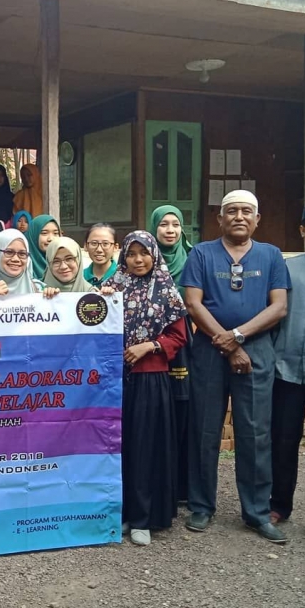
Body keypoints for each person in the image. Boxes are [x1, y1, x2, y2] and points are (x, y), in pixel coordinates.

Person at [181, 190, 290, 543]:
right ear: (220, 219)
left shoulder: (272, 255)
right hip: (209, 351)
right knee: (204, 429)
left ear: (257, 219)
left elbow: (279, 308)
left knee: (255, 432)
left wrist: (238, 337)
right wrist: (227, 344)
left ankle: (257, 512)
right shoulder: (201, 253)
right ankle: (201, 505)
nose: (239, 216)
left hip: (256, 350)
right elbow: (194, 304)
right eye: (232, 211)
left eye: (247, 211)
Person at [110, 232, 188, 546]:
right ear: (123, 257)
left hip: (150, 378)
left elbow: (179, 336)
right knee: (120, 446)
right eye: (132, 254)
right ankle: (124, 512)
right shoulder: (112, 289)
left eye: (144, 253)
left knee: (145, 447)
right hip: (115, 380)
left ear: (154, 255)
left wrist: (149, 346)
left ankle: (144, 517)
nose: (138, 260)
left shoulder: (166, 291)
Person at [270, 200, 305, 529]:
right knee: (283, 441)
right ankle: (279, 505)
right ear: (302, 230)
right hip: (286, 370)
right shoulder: (286, 270)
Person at [149, 205, 193, 503]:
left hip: (186, 346)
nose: (170, 230)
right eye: (163, 224)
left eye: (175, 224)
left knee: (184, 409)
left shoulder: (193, 261)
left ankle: (183, 487)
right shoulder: (144, 261)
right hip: (150, 352)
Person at [0, 229, 42, 298]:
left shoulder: (38, 288)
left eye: (22, 253)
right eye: (9, 252)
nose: (16, 259)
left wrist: (51, 295)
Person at [25, 214, 61, 285]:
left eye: (55, 233)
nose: (51, 239)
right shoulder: (23, 265)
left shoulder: (66, 264)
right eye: (44, 233)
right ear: (33, 235)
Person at [83, 223, 119, 288]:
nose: (99, 250)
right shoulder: (80, 277)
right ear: (85, 246)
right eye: (94, 243)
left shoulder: (124, 276)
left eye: (105, 243)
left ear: (115, 247)